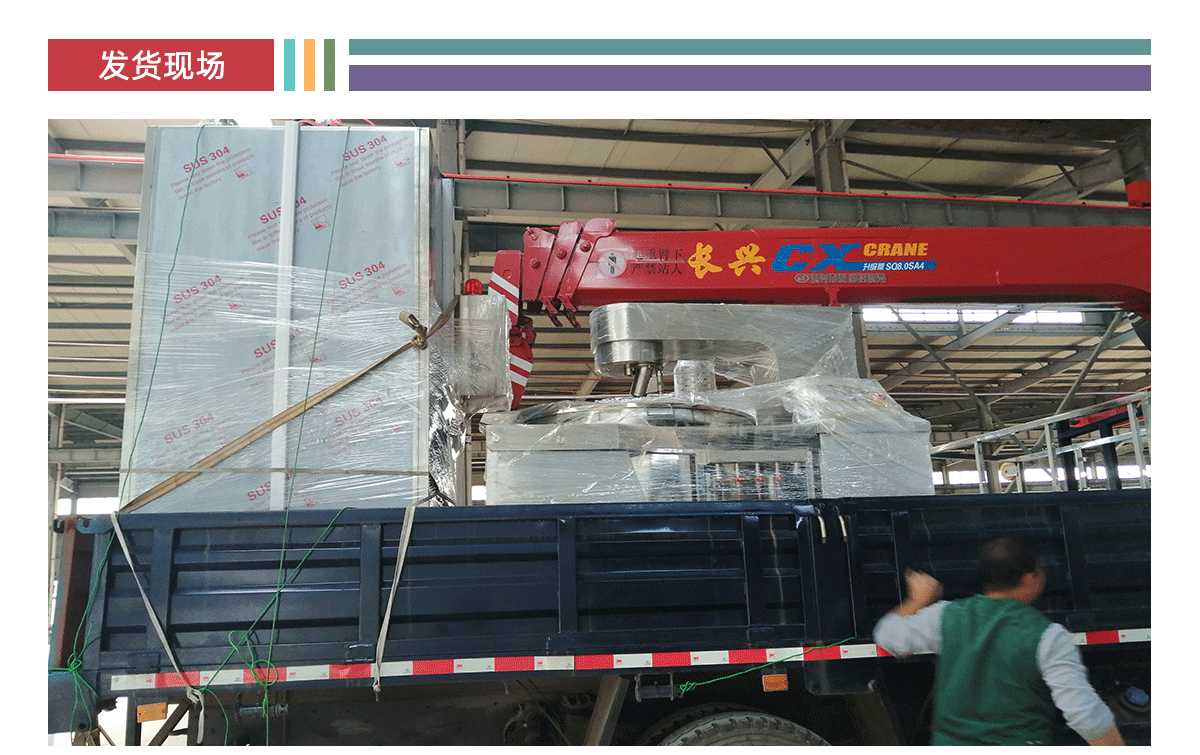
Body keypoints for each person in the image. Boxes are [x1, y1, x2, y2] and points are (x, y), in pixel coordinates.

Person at [873, 535, 1124, 746]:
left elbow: (888, 635)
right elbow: (1084, 714)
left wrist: (918, 599)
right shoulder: (1048, 636)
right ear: (1030, 579)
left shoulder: (945, 617)